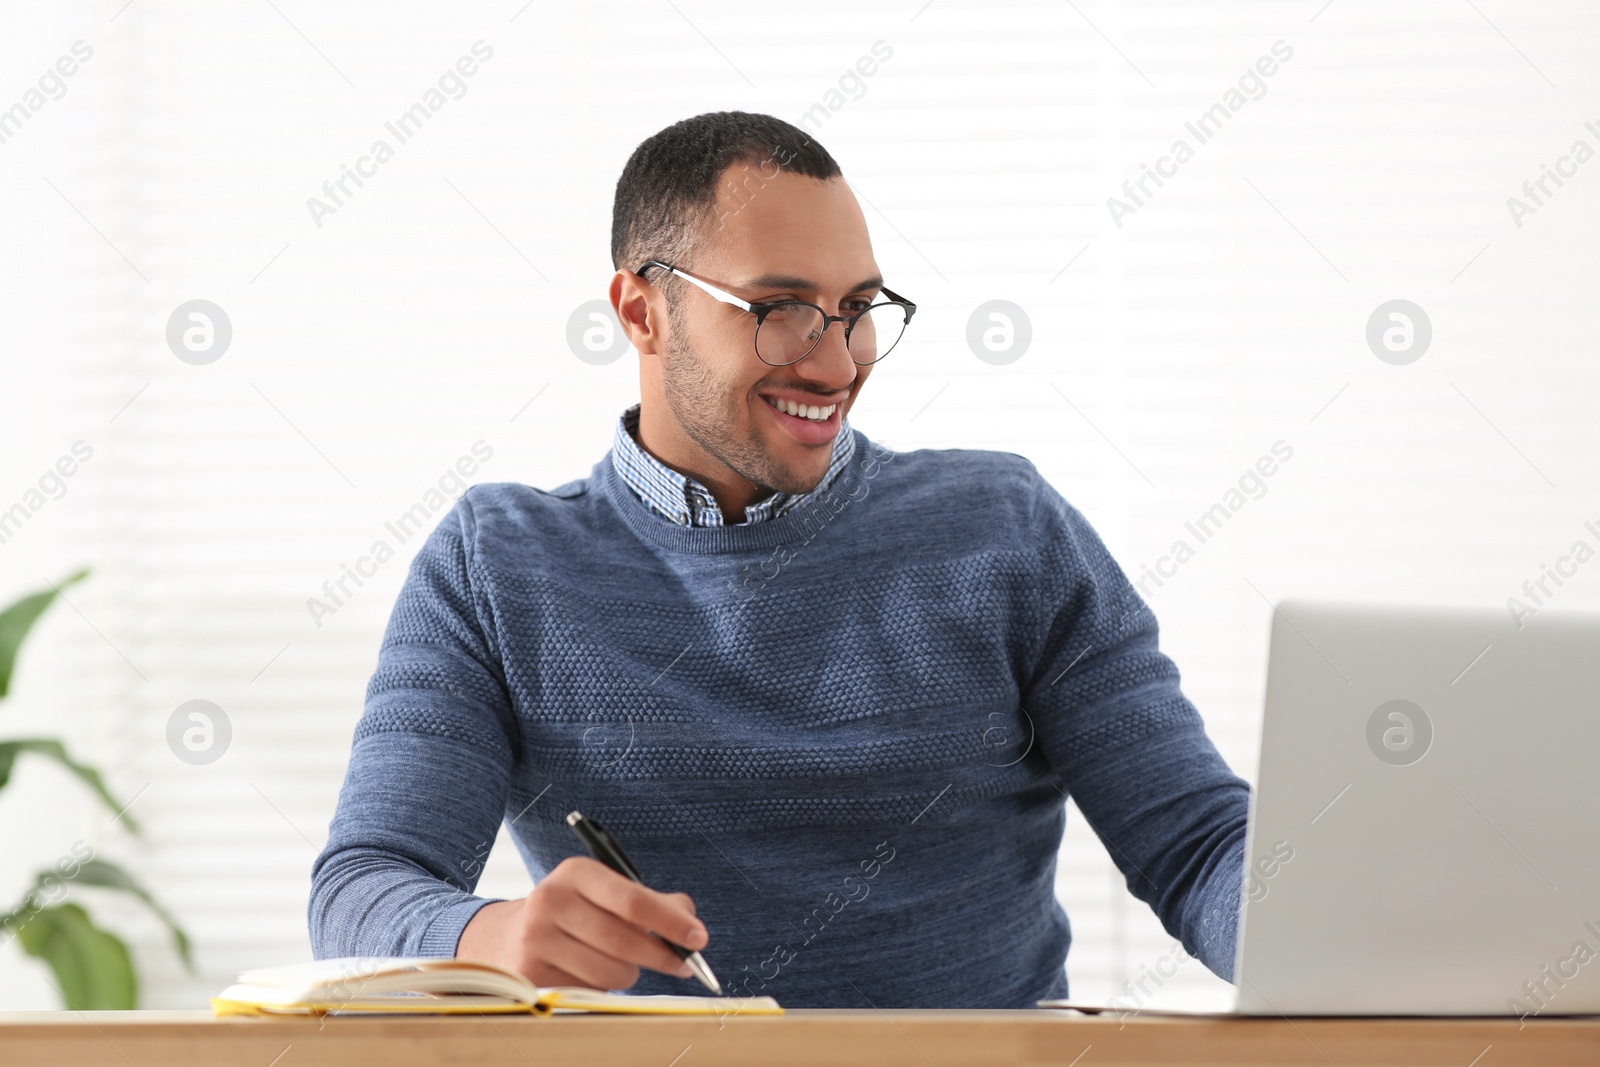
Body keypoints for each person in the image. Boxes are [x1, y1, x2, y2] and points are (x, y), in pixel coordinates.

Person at [308, 110, 1250, 1009]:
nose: (837, 364)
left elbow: (1202, 845)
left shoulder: (1005, 528)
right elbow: (362, 888)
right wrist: (493, 936)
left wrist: (1342, 928)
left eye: (857, 308)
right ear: (643, 311)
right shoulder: (496, 564)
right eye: (781, 308)